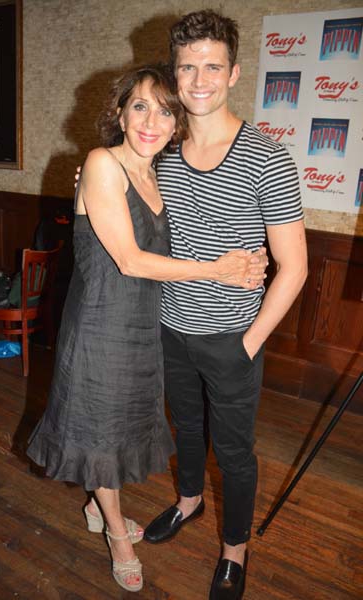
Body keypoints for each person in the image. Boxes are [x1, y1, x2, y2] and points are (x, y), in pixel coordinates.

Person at [27, 64, 268, 594]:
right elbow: (132, 261)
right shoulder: (100, 163)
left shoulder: (158, 172)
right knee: (99, 431)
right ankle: (116, 534)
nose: (151, 120)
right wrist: (218, 269)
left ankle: (97, 505)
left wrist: (249, 264)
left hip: (144, 326)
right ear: (119, 113)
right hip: (100, 327)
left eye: (164, 110)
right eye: (139, 106)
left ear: (177, 122)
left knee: (117, 428)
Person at [142, 11, 308, 600]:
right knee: (186, 426)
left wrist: (250, 341)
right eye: (187, 67)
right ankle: (188, 502)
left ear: (233, 72)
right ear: (175, 73)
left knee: (235, 451)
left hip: (233, 338)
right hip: (170, 327)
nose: (199, 79)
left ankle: (235, 551)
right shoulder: (159, 152)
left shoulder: (267, 156)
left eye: (212, 66)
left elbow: (295, 266)